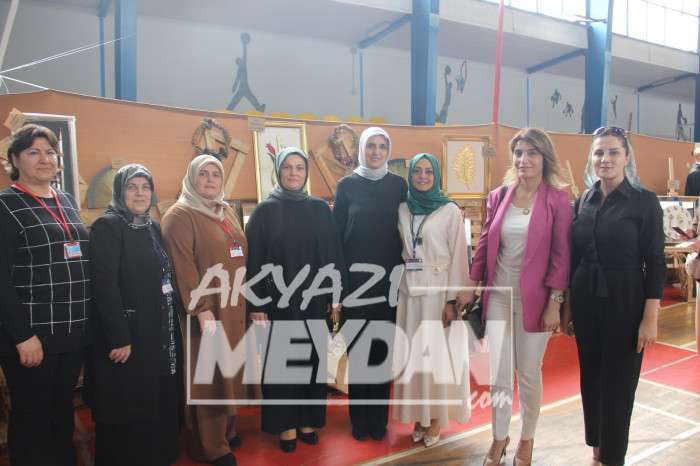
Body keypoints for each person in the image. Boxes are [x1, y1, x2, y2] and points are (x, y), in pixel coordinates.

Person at [459, 128, 572, 466]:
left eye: (532, 153)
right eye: (519, 153)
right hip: (498, 295)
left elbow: (562, 254)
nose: (524, 159)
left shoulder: (557, 199)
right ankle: (499, 438)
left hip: (537, 300)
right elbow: (484, 244)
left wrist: (555, 302)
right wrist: (471, 282)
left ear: (544, 157)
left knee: (529, 373)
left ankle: (527, 438)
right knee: (498, 374)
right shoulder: (499, 196)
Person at [562, 126, 665, 466]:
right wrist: (568, 306)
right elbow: (574, 256)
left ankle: (612, 457)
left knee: (619, 384)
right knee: (591, 378)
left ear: (626, 157)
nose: (605, 159)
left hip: (625, 300)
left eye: (613, 152)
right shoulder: (584, 200)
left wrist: (650, 317)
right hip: (586, 299)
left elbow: (655, 260)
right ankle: (597, 449)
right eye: (599, 152)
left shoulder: (644, 202)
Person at [0, 124, 90, 466]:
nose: (44, 159)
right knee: (32, 420)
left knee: (61, 415)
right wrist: (22, 336)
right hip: (32, 337)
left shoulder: (65, 200)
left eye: (50, 152)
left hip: (70, 333)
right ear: (15, 160)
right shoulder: (6, 205)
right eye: (33, 152)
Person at [245, 147, 346, 453]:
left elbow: (333, 253)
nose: (293, 173)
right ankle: (285, 425)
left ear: (306, 172)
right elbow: (254, 261)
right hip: (278, 303)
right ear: (278, 171)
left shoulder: (319, 209)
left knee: (312, 362)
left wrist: (336, 294)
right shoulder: (264, 212)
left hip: (314, 300)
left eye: (299, 167)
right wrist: (257, 303)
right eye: (287, 167)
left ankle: (308, 421)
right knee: (282, 365)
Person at [89, 164, 181, 466]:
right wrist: (119, 337)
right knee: (127, 405)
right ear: (119, 191)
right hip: (127, 334)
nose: (140, 193)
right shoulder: (108, 227)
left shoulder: (151, 225)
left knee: (153, 401)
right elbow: (104, 285)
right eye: (132, 187)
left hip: (156, 330)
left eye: (145, 187)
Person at [161, 154, 247, 466]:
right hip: (207, 311)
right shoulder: (180, 215)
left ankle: (227, 431)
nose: (210, 180)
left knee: (229, 371)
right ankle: (210, 446)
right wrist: (199, 309)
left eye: (215, 174)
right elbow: (182, 266)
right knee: (209, 376)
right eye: (203, 174)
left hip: (233, 305)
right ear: (191, 178)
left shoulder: (224, 210)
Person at [333, 127, 407, 441]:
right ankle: (359, 421)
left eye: (382, 146)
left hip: (388, 284)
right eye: (371, 146)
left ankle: (378, 421)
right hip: (355, 284)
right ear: (362, 149)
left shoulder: (398, 185)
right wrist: (339, 288)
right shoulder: (346, 186)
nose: (376, 152)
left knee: (381, 353)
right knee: (358, 352)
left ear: (388, 151)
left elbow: (406, 232)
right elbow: (336, 239)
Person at [393, 153, 470, 447]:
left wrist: (453, 300)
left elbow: (459, 257)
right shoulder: (403, 208)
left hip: (438, 293)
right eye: (417, 171)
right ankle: (419, 417)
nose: (423, 176)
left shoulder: (450, 210)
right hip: (409, 293)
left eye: (428, 171)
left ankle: (436, 419)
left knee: (438, 358)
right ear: (410, 175)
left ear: (436, 175)